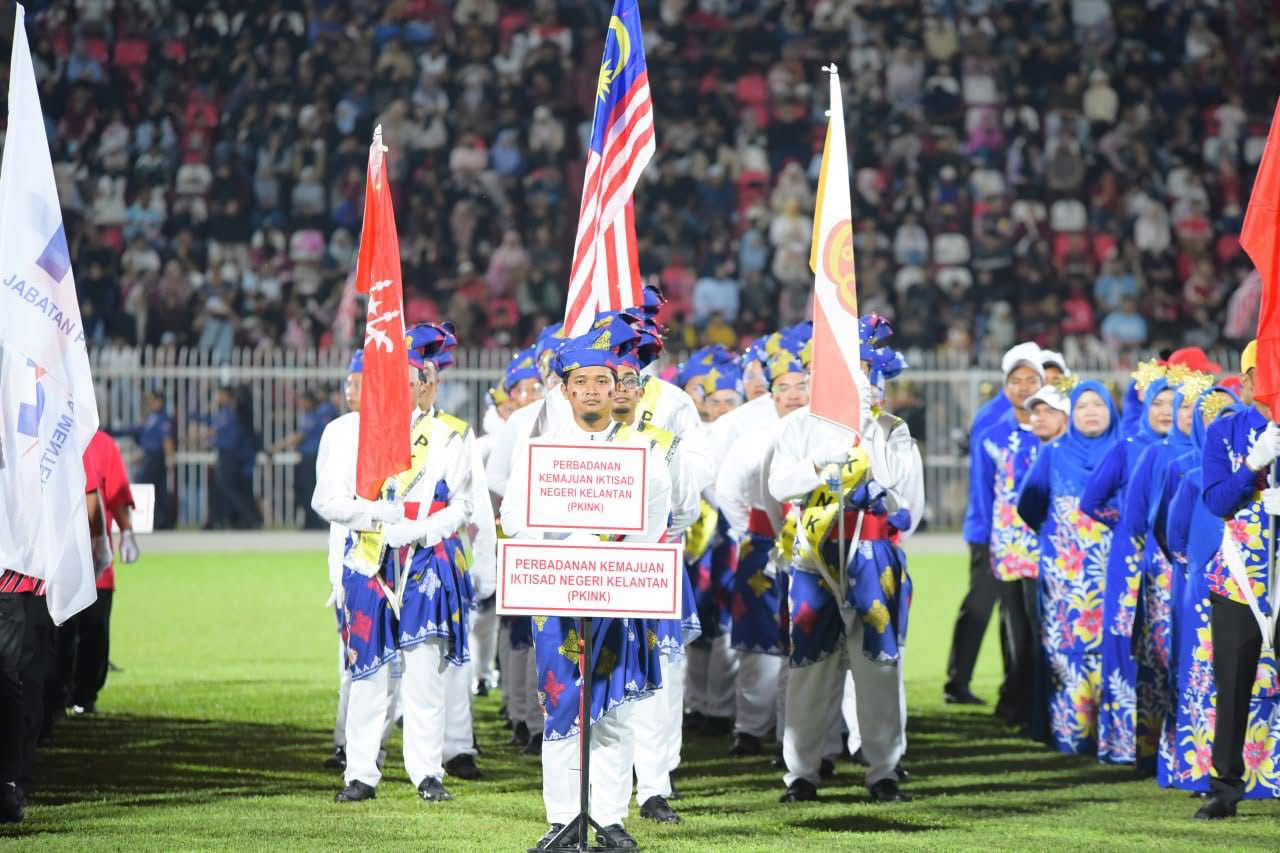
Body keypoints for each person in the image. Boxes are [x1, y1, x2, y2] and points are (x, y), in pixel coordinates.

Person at [500, 316, 672, 850]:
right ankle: (561, 818)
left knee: (614, 711)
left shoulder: (643, 449)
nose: (593, 390)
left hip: (618, 595)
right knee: (559, 705)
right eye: (582, 382)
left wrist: (612, 558)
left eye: (603, 381)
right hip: (556, 597)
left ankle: (610, 818)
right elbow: (513, 518)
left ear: (617, 388)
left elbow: (654, 523)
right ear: (566, 390)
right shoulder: (540, 449)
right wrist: (567, 543)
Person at [769, 321, 923, 805]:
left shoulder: (890, 429)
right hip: (814, 558)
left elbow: (909, 504)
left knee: (878, 665)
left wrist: (869, 444)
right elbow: (778, 486)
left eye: (862, 368)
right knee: (810, 665)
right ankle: (802, 772)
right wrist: (819, 466)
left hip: (872, 559)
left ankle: (883, 769)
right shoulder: (798, 425)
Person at [610, 320, 701, 825]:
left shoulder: (665, 441)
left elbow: (686, 506)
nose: (622, 390)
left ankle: (653, 785)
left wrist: (649, 537)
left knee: (661, 679)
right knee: (603, 672)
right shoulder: (577, 441)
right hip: (599, 573)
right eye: (613, 380)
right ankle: (608, 783)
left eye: (630, 381)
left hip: (651, 568)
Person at [714, 326, 812, 757]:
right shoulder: (754, 439)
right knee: (758, 642)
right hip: (763, 545)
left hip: (811, 549)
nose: (793, 396)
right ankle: (750, 727)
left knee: (806, 639)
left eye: (801, 386)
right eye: (783, 388)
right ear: (771, 395)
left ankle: (798, 731)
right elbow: (728, 492)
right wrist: (755, 532)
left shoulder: (822, 436)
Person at [1195, 340, 1280, 818]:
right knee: (1231, 685)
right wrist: (1253, 465)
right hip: (1238, 578)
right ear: (1246, 383)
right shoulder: (1224, 432)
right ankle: (1225, 786)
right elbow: (1216, 501)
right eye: (1260, 376)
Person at [1016, 381, 1120, 756]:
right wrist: (1061, 535)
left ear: (1112, 411)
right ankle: (1070, 733)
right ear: (1071, 414)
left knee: (1113, 645)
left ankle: (1113, 735)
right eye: (1082, 406)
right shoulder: (1055, 452)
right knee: (1066, 644)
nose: (1091, 412)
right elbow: (1028, 503)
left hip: (1113, 568)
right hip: (1066, 572)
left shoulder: (1125, 451)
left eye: (1098, 405)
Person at [1081, 366, 1173, 765]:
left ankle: (1167, 744)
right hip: (1132, 560)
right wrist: (1126, 524)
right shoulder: (1128, 448)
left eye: (1173, 403)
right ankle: (1124, 743)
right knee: (1126, 642)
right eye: (1158, 403)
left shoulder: (1190, 447)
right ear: (1145, 407)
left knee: (1167, 646)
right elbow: (1090, 501)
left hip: (1171, 563)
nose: (1166, 411)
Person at [946, 342, 1043, 706]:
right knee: (985, 605)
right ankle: (961, 681)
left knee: (1012, 615)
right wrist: (988, 533)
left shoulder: (1042, 415)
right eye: (1018, 379)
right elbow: (983, 482)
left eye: (1032, 378)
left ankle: (1012, 688)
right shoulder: (994, 418)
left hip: (1016, 535)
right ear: (1006, 381)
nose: (1025, 386)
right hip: (992, 532)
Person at [1163, 384, 1240, 796]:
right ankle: (1200, 768)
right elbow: (1174, 537)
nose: (1220, 426)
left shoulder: (1260, 481)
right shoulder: (1193, 478)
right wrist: (1200, 571)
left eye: (1229, 416)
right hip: (1205, 592)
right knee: (1202, 676)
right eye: (1210, 417)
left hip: (1250, 592)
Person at [976, 376, 1063, 732]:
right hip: (1010, 551)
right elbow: (990, 496)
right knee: (1019, 632)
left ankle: (1040, 709)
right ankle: (1021, 705)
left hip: (1051, 554)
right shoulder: (1005, 442)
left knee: (1043, 632)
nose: (1038, 417)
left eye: (1048, 411)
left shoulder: (1061, 451)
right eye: (1035, 412)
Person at [311, 349, 367, 772]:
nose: (350, 390)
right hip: (348, 556)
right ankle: (345, 743)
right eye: (348, 382)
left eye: (359, 382)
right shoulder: (337, 430)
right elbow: (325, 499)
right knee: (351, 661)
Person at [684, 359, 745, 738]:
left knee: (725, 622)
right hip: (698, 539)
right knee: (696, 624)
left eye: (730, 400)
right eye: (715, 400)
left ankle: (720, 708)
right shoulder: (694, 436)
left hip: (730, 538)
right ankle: (697, 703)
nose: (722, 408)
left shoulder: (746, 435)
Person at [67, 429, 139, 715]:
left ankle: (83, 696)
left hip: (93, 563)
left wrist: (127, 532)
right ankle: (65, 697)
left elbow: (116, 493)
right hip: (68, 561)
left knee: (92, 635)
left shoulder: (102, 443)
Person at [272, 389, 338, 529]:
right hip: (309, 457)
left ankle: (315, 522)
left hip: (311, 458)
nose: (301, 404)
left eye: (303, 401)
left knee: (307, 490)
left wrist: (277, 447)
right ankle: (310, 521)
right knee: (303, 489)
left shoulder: (314, 415)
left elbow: (300, 435)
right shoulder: (314, 414)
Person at [117, 390, 175, 529]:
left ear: (159, 401)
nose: (149, 403)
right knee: (158, 490)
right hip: (151, 458)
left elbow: (167, 440)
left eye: (152, 400)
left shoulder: (162, 419)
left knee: (144, 486)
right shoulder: (152, 418)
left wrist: (169, 459)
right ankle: (159, 521)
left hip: (156, 459)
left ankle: (149, 520)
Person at [207, 385, 261, 529]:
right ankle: (229, 519)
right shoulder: (227, 413)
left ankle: (248, 518)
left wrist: (213, 442)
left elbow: (230, 438)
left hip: (230, 456)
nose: (218, 398)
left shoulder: (232, 414)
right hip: (228, 455)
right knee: (227, 489)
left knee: (230, 489)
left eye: (221, 395)